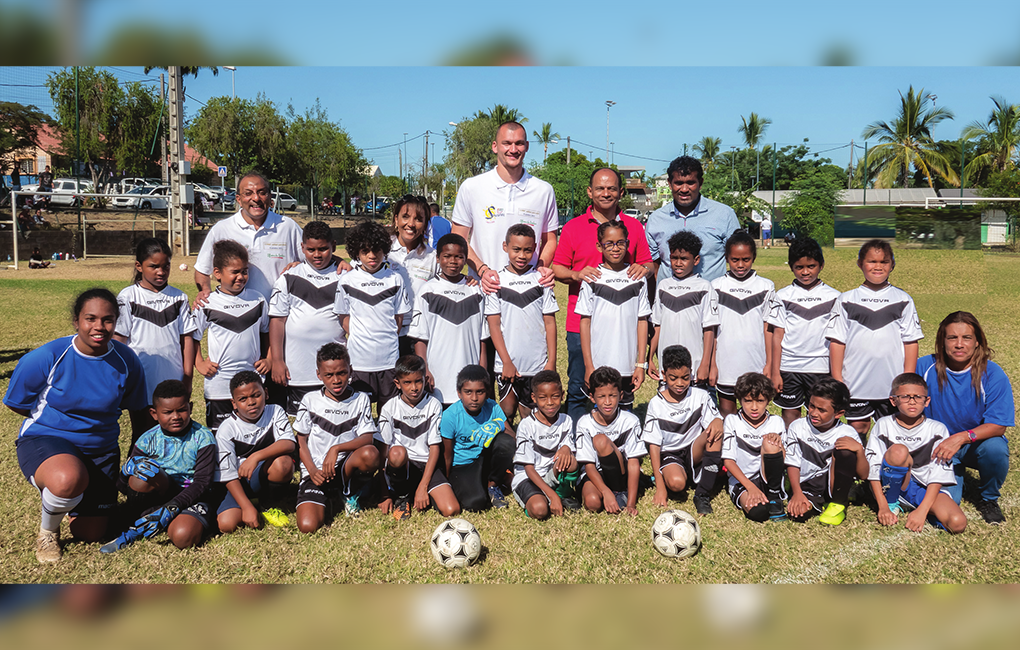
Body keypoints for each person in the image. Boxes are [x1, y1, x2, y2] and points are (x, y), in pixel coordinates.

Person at [4, 288, 148, 562]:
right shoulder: (48, 355)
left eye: (107, 320)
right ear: (76, 321)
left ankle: (70, 500)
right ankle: (48, 532)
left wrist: (134, 455)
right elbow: (16, 402)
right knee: (68, 478)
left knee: (91, 533)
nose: (99, 327)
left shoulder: (127, 361)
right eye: (90, 319)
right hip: (46, 439)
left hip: (102, 451)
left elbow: (138, 412)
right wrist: (59, 423)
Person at [551, 167, 654, 422]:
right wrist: (577, 275)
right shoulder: (574, 227)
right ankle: (576, 444)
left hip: (621, 323)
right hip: (581, 323)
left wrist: (646, 269)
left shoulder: (633, 227)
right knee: (579, 387)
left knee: (620, 387)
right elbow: (556, 268)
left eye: (611, 188)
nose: (605, 193)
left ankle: (619, 440)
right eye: (599, 188)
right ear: (589, 191)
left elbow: (649, 264)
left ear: (620, 192)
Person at [917, 312, 1014, 524]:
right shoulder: (924, 367)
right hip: (937, 449)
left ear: (977, 341)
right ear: (942, 341)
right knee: (947, 506)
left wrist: (960, 438)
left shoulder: (993, 373)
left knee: (995, 449)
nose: (959, 344)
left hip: (973, 444)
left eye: (966, 338)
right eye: (952, 338)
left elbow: (998, 426)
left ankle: (988, 498)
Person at [100, 380, 218, 552]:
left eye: (182, 410)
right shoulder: (147, 439)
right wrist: (125, 472)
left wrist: (171, 508)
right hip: (161, 495)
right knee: (141, 475)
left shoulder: (203, 438)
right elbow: (124, 487)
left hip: (192, 498)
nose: (176, 416)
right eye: (168, 412)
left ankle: (158, 519)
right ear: (154, 414)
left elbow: (202, 483)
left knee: (183, 536)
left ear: (190, 407)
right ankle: (140, 522)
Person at [827, 239, 923, 439]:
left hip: (891, 384)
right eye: (872, 261)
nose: (878, 267)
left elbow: (911, 341)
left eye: (884, 262)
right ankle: (858, 469)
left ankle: (886, 469)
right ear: (860, 263)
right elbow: (837, 341)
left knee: (890, 431)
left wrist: (907, 380)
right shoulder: (846, 299)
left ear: (892, 265)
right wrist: (837, 379)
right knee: (858, 428)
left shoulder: (903, 299)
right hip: (855, 383)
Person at [451, 121, 558, 295]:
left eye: (519, 143)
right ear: (495, 146)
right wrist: (483, 270)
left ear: (527, 146)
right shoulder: (472, 187)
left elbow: (550, 240)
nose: (513, 149)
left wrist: (541, 267)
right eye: (507, 143)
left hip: (528, 292)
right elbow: (458, 238)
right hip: (484, 291)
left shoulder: (543, 190)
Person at [114, 238, 197, 442]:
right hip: (141, 382)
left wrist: (187, 376)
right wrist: (121, 378)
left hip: (173, 379)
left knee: (175, 434)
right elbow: (118, 342)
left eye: (165, 266)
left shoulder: (179, 298)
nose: (161, 271)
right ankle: (135, 474)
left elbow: (187, 339)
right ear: (139, 266)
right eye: (154, 266)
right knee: (143, 436)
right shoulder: (128, 297)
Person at [294, 343, 381, 532]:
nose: (336, 380)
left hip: (344, 467)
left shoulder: (360, 399)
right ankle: (324, 496)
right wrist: (311, 470)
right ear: (319, 375)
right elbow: (301, 440)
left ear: (350, 370)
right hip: (316, 471)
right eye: (329, 375)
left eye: (341, 373)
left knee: (371, 454)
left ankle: (350, 492)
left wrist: (337, 449)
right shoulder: (310, 400)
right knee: (307, 526)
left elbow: (367, 438)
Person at [865, 373, 967, 534]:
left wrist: (923, 511)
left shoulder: (938, 429)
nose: (912, 402)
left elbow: (938, 474)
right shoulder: (883, 424)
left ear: (927, 401)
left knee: (957, 523)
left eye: (918, 397)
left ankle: (919, 508)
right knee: (899, 451)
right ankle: (893, 502)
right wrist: (883, 507)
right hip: (893, 485)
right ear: (893, 400)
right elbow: (873, 467)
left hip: (924, 488)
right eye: (905, 397)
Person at [194, 171, 308, 304]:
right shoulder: (222, 229)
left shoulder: (288, 226)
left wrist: (301, 266)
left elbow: (313, 262)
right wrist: (205, 292)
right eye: (248, 193)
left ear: (270, 197)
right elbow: (202, 270)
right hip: (240, 317)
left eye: (262, 192)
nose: (256, 198)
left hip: (282, 315)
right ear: (238, 199)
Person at [268, 220, 346, 416]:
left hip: (335, 370)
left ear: (333, 247)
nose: (317, 255)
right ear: (302, 248)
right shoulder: (288, 277)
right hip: (298, 370)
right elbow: (277, 321)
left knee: (336, 420)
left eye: (323, 249)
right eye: (311, 250)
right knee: (302, 425)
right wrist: (277, 360)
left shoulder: (345, 277)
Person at [192, 240, 270, 434]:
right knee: (220, 437)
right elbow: (192, 337)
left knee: (254, 434)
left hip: (252, 383)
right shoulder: (207, 303)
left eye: (244, 271)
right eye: (234, 272)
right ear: (217, 273)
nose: (241, 276)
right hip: (219, 384)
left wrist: (268, 359)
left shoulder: (258, 299)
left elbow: (267, 333)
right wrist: (199, 362)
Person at [333, 220, 412, 411]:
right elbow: (343, 316)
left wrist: (384, 336)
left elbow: (398, 319)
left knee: (388, 416)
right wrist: (361, 335)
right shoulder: (347, 281)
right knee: (361, 416)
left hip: (389, 361)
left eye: (376, 250)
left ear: (384, 250)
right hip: (359, 362)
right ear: (356, 253)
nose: (371, 256)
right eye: (365, 251)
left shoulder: (395, 279)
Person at [485, 224, 558, 427]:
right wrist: (506, 361)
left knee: (531, 417)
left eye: (527, 250)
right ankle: (508, 456)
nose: (522, 255)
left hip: (536, 364)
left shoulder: (541, 280)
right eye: (516, 249)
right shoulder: (496, 282)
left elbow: (550, 323)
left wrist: (551, 361)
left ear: (535, 248)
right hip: (507, 365)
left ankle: (530, 455)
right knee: (506, 412)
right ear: (505, 247)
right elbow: (494, 325)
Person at [576, 220, 651, 410]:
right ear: (599, 246)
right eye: (609, 243)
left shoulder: (637, 277)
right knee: (600, 417)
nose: (615, 248)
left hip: (627, 364)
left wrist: (640, 365)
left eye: (621, 242)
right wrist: (588, 365)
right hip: (599, 363)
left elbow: (642, 321)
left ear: (628, 243)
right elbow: (584, 323)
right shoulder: (592, 278)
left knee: (625, 416)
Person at [767, 237, 840, 427]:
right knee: (790, 414)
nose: (805, 272)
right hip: (790, 366)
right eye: (799, 267)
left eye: (811, 266)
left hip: (820, 367)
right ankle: (792, 450)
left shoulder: (834, 297)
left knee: (820, 414)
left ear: (821, 266)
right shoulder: (782, 296)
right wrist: (776, 371)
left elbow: (837, 338)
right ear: (791, 266)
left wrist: (834, 371)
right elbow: (777, 335)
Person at [409, 233, 488, 406]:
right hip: (438, 377)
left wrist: (482, 372)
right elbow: (420, 337)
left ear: (466, 259)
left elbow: (482, 339)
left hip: (470, 380)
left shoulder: (476, 291)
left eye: (459, 257)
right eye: (447, 256)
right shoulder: (427, 291)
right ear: (437, 258)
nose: (453, 261)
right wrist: (425, 370)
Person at [643, 345, 724, 515]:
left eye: (685, 378)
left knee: (716, 430)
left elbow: (715, 421)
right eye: (673, 378)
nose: (680, 383)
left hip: (694, 450)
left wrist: (717, 420)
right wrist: (660, 487)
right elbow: (654, 446)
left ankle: (702, 494)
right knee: (677, 484)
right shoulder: (656, 404)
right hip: (671, 453)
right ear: (663, 374)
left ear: (691, 373)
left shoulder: (700, 396)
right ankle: (689, 474)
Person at [378, 355, 460, 520]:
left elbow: (434, 447)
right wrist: (383, 493)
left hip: (426, 464)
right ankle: (402, 496)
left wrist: (423, 486)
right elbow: (383, 451)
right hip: (403, 464)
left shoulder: (434, 405)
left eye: (418, 381)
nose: (414, 387)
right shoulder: (389, 408)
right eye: (407, 383)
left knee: (451, 509)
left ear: (425, 379)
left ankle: (420, 489)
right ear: (397, 384)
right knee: (397, 453)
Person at [213, 372, 297, 534]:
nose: (251, 402)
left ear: (266, 393)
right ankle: (249, 502)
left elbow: (288, 443)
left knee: (283, 463)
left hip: (264, 474)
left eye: (256, 395)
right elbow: (227, 474)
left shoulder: (275, 411)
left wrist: (255, 456)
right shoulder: (226, 428)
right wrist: (246, 507)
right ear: (234, 403)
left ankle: (269, 504)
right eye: (243, 399)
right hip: (239, 483)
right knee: (227, 525)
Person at [784, 377, 868, 526]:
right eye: (811, 406)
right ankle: (809, 499)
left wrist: (859, 450)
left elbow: (863, 475)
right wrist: (797, 493)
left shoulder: (847, 432)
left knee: (846, 451)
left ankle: (838, 505)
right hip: (805, 484)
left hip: (832, 484)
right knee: (798, 514)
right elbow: (792, 462)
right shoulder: (797, 426)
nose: (814, 413)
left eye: (822, 410)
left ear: (838, 413)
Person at [645, 156, 741, 284]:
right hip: (669, 300)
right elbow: (653, 266)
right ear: (669, 183)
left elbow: (738, 258)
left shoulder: (724, 214)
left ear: (700, 183)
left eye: (690, 183)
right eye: (678, 183)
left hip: (711, 299)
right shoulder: (656, 219)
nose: (684, 189)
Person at [711, 231, 775, 417]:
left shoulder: (765, 286)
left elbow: (768, 328)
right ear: (726, 258)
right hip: (726, 363)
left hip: (755, 362)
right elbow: (712, 330)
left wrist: (769, 363)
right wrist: (712, 364)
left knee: (754, 412)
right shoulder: (716, 286)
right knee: (727, 413)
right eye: (735, 259)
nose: (740, 265)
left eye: (746, 259)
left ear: (753, 257)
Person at [648, 230, 719, 390]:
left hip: (694, 367)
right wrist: (650, 357)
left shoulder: (705, 287)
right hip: (667, 365)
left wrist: (705, 364)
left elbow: (709, 329)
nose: (678, 263)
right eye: (674, 258)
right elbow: (657, 326)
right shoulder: (663, 286)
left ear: (696, 260)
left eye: (684, 259)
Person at [440, 365, 515, 511]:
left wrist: (498, 424)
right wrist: (447, 483)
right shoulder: (450, 415)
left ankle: (493, 485)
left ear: (487, 393)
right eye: (468, 392)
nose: (474, 398)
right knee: (475, 503)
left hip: (485, 460)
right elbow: (447, 455)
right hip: (462, 465)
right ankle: (484, 484)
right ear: (459, 393)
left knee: (505, 441)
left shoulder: (492, 407)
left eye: (479, 392)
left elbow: (512, 437)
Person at [575, 366, 645, 515]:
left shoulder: (630, 421)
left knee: (601, 441)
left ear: (620, 395)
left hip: (620, 475)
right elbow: (588, 465)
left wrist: (631, 504)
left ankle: (621, 493)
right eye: (601, 397)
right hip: (595, 473)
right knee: (593, 503)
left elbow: (633, 462)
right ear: (592, 397)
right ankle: (610, 493)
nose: (607, 402)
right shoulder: (584, 423)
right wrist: (605, 492)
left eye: (612, 396)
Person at [722, 372, 791, 522]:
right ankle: (760, 497)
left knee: (770, 442)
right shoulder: (732, 421)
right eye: (748, 401)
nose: (754, 407)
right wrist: (750, 487)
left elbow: (783, 459)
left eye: (760, 401)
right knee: (758, 512)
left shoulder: (776, 422)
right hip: (742, 481)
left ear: (768, 400)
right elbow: (728, 461)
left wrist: (778, 442)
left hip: (768, 478)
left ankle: (774, 497)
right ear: (739, 400)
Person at [511, 370, 580, 519]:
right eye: (543, 398)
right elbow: (528, 468)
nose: (549, 402)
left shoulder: (566, 420)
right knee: (540, 510)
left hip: (551, 473)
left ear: (562, 395)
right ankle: (547, 498)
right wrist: (551, 495)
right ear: (534, 398)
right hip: (529, 477)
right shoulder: (526, 425)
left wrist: (566, 448)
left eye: (555, 396)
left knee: (571, 462)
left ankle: (562, 495)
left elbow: (568, 447)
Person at [388, 195, 438, 357]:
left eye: (418, 219)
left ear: (425, 224)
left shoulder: (433, 257)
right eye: (405, 217)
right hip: (386, 333)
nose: (410, 224)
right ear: (396, 220)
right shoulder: (382, 250)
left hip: (419, 336)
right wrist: (341, 263)